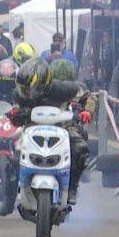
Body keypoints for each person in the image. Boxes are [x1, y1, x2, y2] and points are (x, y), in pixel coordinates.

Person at [5, 57, 90, 207]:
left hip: (63, 125)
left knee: (80, 149)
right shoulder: (20, 94)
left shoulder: (65, 89)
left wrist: (87, 112)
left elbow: (88, 97)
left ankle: (72, 188)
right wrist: (15, 114)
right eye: (25, 88)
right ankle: (9, 200)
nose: (28, 92)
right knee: (13, 160)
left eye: (32, 88)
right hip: (31, 126)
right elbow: (16, 112)